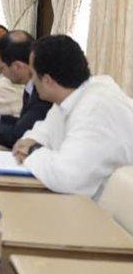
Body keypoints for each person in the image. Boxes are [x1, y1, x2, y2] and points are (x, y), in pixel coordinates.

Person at [12, 35, 133, 199]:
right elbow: (42, 132)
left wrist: (32, 151)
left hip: (105, 210)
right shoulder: (70, 96)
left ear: (47, 80)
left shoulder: (95, 108)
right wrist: (31, 143)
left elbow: (67, 177)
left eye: (33, 74)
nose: (31, 80)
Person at [0, 31, 53, 148]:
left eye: (1, 69)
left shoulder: (44, 94)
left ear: (18, 67)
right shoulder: (31, 87)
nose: (1, 74)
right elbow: (24, 124)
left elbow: (17, 135)